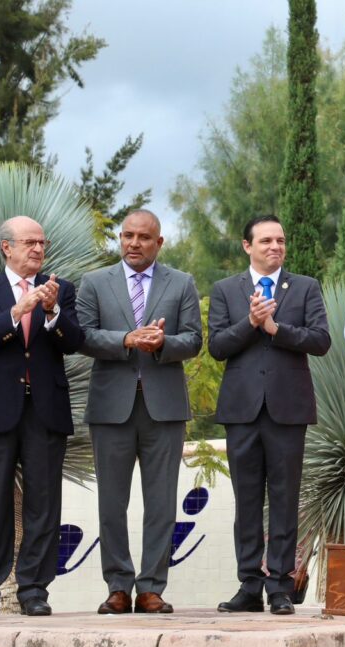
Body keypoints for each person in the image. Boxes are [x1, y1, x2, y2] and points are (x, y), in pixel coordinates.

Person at [0, 215, 84, 617]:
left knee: (43, 502)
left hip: (45, 408)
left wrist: (51, 313)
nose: (38, 249)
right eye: (29, 242)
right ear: (5, 247)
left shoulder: (61, 290)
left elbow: (75, 342)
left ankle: (34, 589)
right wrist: (18, 310)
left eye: (42, 242)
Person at [77, 209, 202, 615]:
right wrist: (127, 339)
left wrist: (163, 343)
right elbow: (84, 336)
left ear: (159, 243)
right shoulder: (95, 282)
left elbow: (195, 340)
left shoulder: (181, 283)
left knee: (162, 503)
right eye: (127, 235)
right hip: (111, 408)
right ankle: (117, 585)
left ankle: (151, 588)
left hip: (163, 408)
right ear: (120, 238)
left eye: (144, 237)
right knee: (112, 503)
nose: (134, 243)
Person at [207, 214, 330, 615]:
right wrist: (251, 322)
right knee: (246, 501)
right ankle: (249, 585)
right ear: (247, 246)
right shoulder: (227, 289)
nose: (275, 247)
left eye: (280, 240)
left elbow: (321, 340)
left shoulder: (306, 287)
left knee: (283, 498)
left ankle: (280, 586)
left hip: (288, 410)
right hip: (242, 411)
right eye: (266, 241)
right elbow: (218, 346)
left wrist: (277, 329)